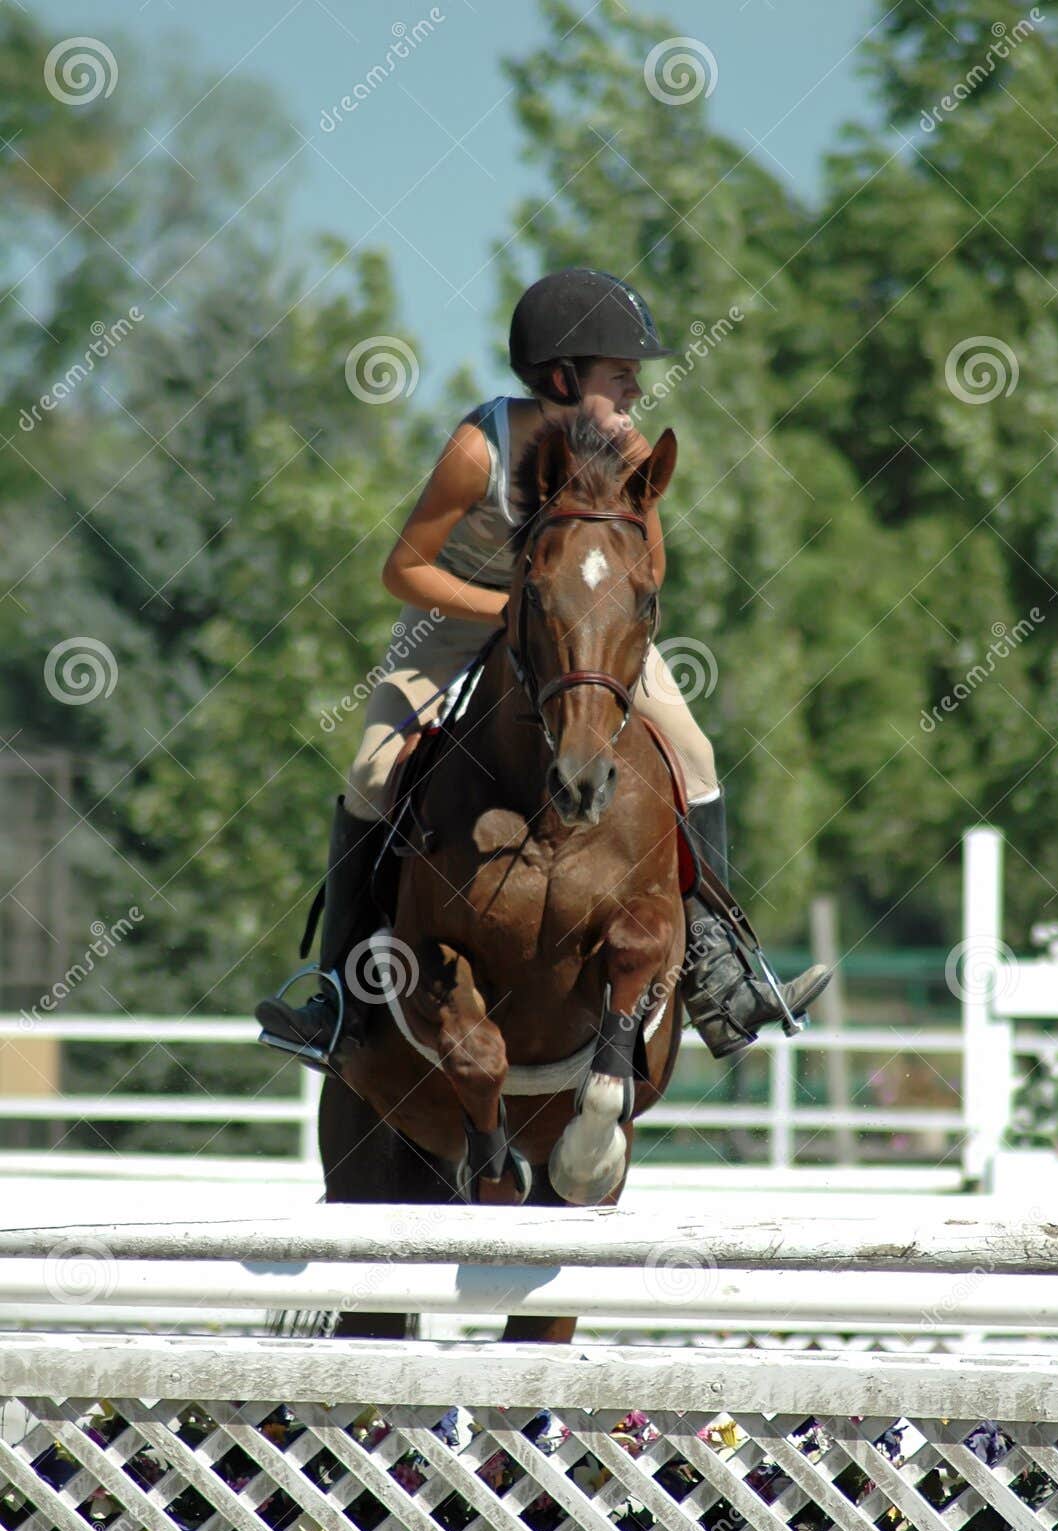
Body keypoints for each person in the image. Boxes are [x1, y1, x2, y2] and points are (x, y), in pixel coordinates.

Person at [255, 268, 830, 1068]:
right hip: (460, 613)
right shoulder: (476, 448)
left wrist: (577, 614)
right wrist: (509, 615)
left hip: (582, 626)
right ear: (561, 377)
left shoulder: (628, 451)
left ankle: (716, 963)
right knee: (372, 766)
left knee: (694, 756)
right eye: (618, 377)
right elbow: (403, 570)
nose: (634, 393)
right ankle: (338, 996)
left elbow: (648, 574)